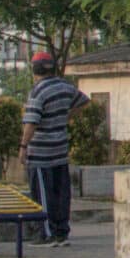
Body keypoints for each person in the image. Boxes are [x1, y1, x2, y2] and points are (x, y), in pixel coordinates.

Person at [20, 51, 83, 246]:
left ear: (34, 70)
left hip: (40, 152)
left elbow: (31, 123)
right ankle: (62, 231)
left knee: (42, 194)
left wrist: (23, 146)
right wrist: (65, 117)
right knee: (61, 192)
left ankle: (47, 233)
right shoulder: (65, 86)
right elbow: (84, 102)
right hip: (60, 148)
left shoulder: (38, 91)